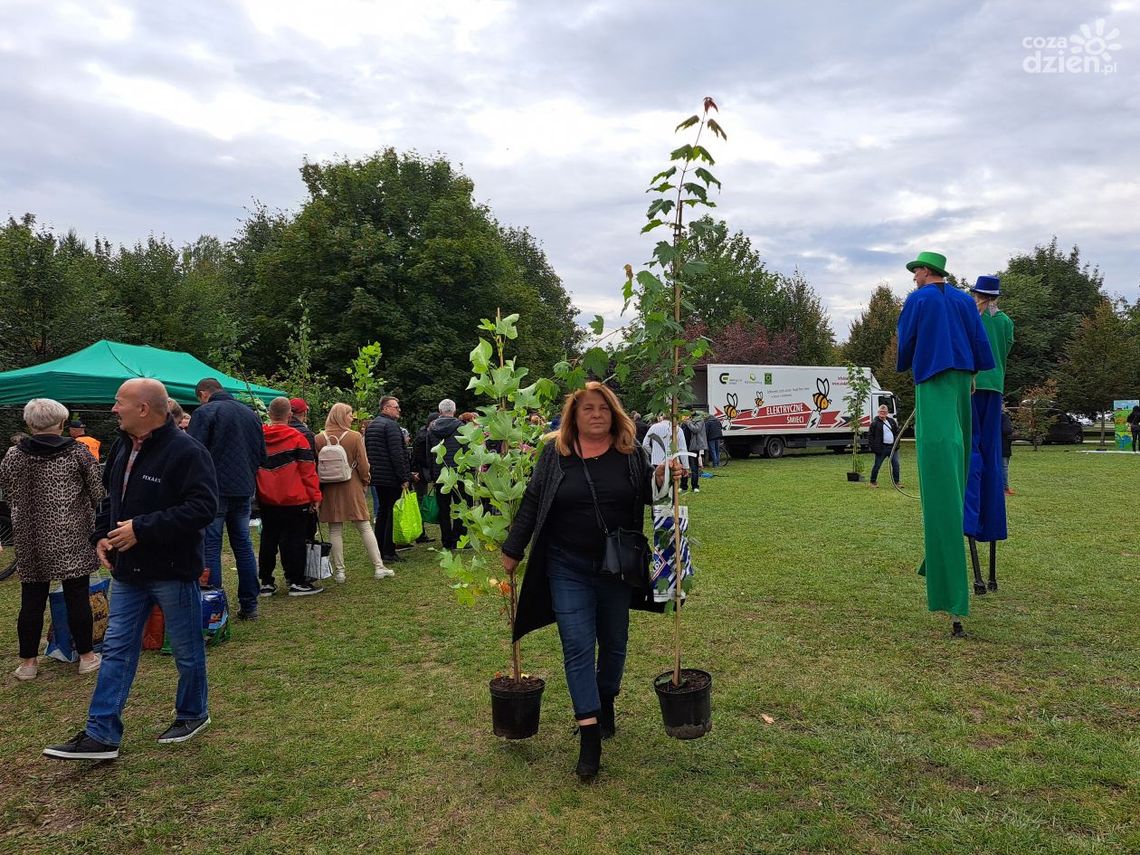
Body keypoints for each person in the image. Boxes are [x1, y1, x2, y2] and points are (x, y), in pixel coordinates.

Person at [501, 382, 677, 783]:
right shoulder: (555, 455)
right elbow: (532, 500)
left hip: (617, 569)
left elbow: (652, 494)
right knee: (577, 647)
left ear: (614, 414)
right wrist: (514, 548)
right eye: (587, 409)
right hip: (567, 567)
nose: (596, 414)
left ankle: (607, 697)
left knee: (614, 644)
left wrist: (666, 476)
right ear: (574, 417)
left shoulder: (632, 455)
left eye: (603, 408)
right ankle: (589, 734)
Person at [43, 379, 218, 761]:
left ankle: (193, 713)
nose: (112, 409)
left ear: (143, 409)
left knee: (187, 649)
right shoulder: (125, 446)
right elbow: (112, 499)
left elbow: (203, 508)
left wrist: (142, 528)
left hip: (171, 571)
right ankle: (101, 733)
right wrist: (101, 535)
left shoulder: (187, 451)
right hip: (128, 572)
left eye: (119, 402)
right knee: (119, 648)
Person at [896, 251, 994, 638]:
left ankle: (951, 594)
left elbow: (907, 340)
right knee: (959, 467)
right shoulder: (964, 301)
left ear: (925, 271)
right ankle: (937, 558)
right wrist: (970, 373)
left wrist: (909, 362)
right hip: (961, 387)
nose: (914, 277)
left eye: (916, 271)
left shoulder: (918, 299)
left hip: (935, 383)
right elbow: (978, 341)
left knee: (939, 478)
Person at [0, 398, 105, 681]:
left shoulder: (13, 455)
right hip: (71, 534)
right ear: (61, 423)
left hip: (29, 537)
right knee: (77, 597)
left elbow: (8, 493)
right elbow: (97, 491)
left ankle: (28, 664)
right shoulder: (78, 453)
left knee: (31, 601)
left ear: (29, 423)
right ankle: (86, 657)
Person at [187, 378, 266, 621]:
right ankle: (250, 604)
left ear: (203, 394)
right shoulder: (250, 414)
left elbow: (192, 452)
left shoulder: (205, 413)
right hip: (243, 488)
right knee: (243, 545)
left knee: (211, 545)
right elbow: (261, 455)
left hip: (213, 489)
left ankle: (214, 605)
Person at [963, 276, 1014, 586]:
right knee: (991, 457)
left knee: (972, 454)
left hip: (971, 388)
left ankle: (970, 517)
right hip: (995, 390)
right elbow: (1004, 351)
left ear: (976, 295)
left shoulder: (972, 315)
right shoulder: (1006, 321)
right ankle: (990, 518)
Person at [256, 397, 323, 597]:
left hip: (267, 497)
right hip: (295, 498)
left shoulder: (259, 436)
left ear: (269, 413)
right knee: (294, 540)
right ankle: (295, 581)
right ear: (289, 415)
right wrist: (315, 496)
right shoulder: (297, 437)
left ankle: (266, 582)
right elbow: (308, 471)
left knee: (268, 539)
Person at [318, 403, 390, 582]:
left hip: (329, 487)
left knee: (334, 529)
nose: (352, 418)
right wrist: (366, 480)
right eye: (350, 415)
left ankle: (340, 572)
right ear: (342, 416)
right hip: (352, 485)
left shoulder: (318, 438)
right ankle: (378, 566)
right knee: (364, 526)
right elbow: (363, 464)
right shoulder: (354, 436)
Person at [365, 396, 412, 564]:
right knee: (391, 513)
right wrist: (404, 477)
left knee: (383, 512)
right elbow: (397, 454)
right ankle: (389, 551)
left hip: (378, 476)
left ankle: (379, 547)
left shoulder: (372, 425)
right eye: (396, 407)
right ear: (385, 408)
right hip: (391, 476)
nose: (399, 409)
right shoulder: (391, 426)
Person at [427, 399, 467, 550]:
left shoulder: (432, 429)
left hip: (440, 474)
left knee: (443, 509)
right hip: (458, 473)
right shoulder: (461, 427)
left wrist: (432, 473)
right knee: (460, 506)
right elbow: (466, 450)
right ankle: (458, 538)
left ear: (440, 411)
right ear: (454, 411)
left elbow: (429, 453)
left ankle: (446, 540)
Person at [867, 404, 901, 488]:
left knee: (896, 465)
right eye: (881, 412)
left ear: (887, 413)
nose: (882, 413)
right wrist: (874, 448)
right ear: (878, 412)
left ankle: (896, 483)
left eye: (884, 412)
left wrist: (897, 444)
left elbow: (896, 433)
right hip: (881, 448)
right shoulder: (874, 423)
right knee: (877, 465)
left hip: (893, 448)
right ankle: (872, 482)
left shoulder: (892, 421)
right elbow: (870, 436)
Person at [1001, 407, 1014, 495]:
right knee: (1004, 467)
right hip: (1003, 446)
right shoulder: (1003, 417)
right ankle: (1005, 488)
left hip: (1003, 446)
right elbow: (1008, 430)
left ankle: (1004, 487)